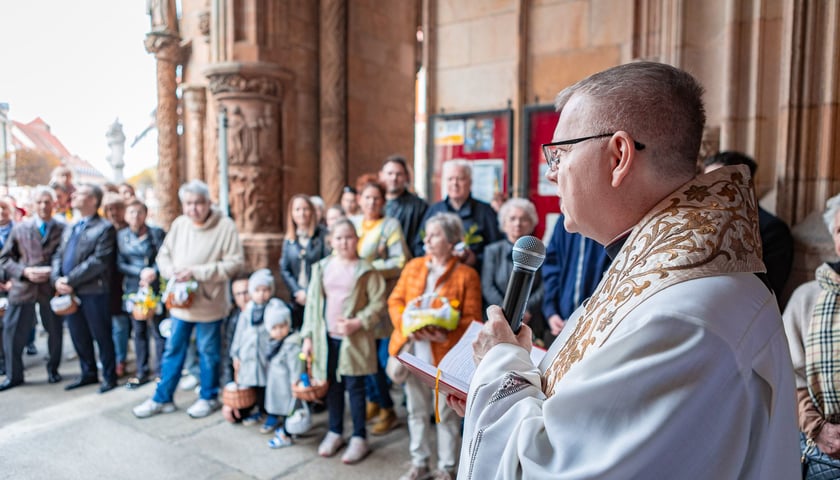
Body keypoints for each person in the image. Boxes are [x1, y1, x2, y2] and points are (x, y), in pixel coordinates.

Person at [451, 61, 798, 479]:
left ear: (618, 156)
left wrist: (499, 367)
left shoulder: (680, 319)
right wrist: (511, 379)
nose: (550, 172)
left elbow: (544, 469)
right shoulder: (661, 275)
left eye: (560, 154)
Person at [133, 180, 244, 419]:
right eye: (189, 203)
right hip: (180, 303)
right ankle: (162, 398)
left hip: (209, 303)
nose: (194, 209)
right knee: (173, 350)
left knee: (208, 351)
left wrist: (196, 271)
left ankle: (208, 396)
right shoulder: (180, 224)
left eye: (198, 203)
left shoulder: (225, 226)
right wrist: (171, 270)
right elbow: (164, 255)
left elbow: (235, 263)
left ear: (208, 203)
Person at [388, 212, 482, 480]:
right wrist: (406, 325)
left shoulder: (466, 275)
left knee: (446, 415)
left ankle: (447, 468)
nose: (427, 239)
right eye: (426, 234)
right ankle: (419, 462)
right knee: (416, 410)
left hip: (445, 356)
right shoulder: (413, 267)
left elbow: (472, 320)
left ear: (452, 240)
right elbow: (395, 301)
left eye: (435, 234)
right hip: (413, 351)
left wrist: (444, 336)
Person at [301, 218, 386, 465]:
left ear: (356, 239)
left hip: (354, 339)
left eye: (349, 237)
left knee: (355, 388)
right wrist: (308, 337)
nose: (344, 242)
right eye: (338, 238)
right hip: (326, 339)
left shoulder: (366, 269)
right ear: (331, 241)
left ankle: (360, 437)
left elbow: (378, 303)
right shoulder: (321, 267)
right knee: (332, 387)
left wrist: (358, 322)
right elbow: (313, 304)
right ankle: (335, 431)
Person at [782, 193, 840, 472]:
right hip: (823, 453)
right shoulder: (807, 298)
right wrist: (818, 428)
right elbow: (789, 374)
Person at [350, 179, 410, 435]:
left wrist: (369, 268)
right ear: (359, 200)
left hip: (382, 301)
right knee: (363, 356)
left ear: (383, 202)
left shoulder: (390, 225)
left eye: (377, 198)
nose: (371, 202)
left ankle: (388, 409)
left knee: (378, 359)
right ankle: (374, 401)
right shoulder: (352, 223)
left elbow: (401, 261)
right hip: (355, 301)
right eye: (367, 197)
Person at [51, 184, 119, 393]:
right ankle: (88, 373)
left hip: (94, 291)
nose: (74, 195)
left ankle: (109, 377)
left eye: (80, 193)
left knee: (101, 335)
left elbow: (98, 262)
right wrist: (57, 279)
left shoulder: (104, 228)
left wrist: (69, 279)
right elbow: (58, 255)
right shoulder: (72, 226)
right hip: (70, 291)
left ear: (93, 200)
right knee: (78, 334)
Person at [703, 151, 794, 303]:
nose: (706, 190)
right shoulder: (704, 224)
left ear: (740, 183)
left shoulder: (772, 230)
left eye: (715, 181)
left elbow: (766, 288)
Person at [0, 187, 65, 390]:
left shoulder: (63, 229)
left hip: (49, 287)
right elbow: (5, 258)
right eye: (39, 202)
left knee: (54, 330)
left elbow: (64, 256)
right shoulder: (20, 229)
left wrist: (53, 273)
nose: (43, 206)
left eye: (47, 202)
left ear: (54, 204)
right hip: (23, 287)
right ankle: (14, 375)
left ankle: (53, 369)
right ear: (34, 204)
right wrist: (24, 271)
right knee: (12, 332)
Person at [230, 270, 292, 433]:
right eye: (257, 290)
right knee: (256, 387)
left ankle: (273, 414)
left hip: (268, 356)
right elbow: (239, 333)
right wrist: (236, 354)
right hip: (250, 356)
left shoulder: (274, 307)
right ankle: (259, 411)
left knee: (272, 387)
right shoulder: (248, 310)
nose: (261, 295)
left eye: (265, 290)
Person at [415, 160, 502, 272]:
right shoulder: (434, 210)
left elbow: (496, 249)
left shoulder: (485, 211)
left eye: (460, 179)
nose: (454, 183)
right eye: (450, 179)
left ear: (470, 182)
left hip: (473, 275)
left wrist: (475, 259)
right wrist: (428, 253)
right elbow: (417, 245)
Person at [118, 199, 166, 388]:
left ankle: (161, 371)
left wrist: (152, 271)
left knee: (158, 329)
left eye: (139, 212)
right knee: (138, 331)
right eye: (131, 213)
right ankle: (141, 370)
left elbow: (164, 256)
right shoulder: (122, 236)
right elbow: (120, 263)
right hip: (133, 287)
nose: (135, 217)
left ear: (146, 214)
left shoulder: (156, 233)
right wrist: (139, 272)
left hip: (154, 287)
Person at [481, 198, 545, 341]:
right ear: (504, 223)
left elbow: (543, 286)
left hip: (531, 321)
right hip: (497, 320)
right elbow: (488, 286)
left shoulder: (538, 251)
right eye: (513, 218)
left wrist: (524, 310)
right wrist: (507, 313)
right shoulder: (492, 251)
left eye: (523, 219)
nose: (518, 223)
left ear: (532, 223)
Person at [541, 214, 611, 344]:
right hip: (561, 322)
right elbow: (551, 268)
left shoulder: (608, 219)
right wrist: (551, 311)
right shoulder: (563, 221)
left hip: (596, 326)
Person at [278, 195, 329, 330]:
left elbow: (327, 264)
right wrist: (297, 291)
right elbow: (285, 268)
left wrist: (310, 291)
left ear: (312, 211)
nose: (302, 213)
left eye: (305, 209)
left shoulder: (323, 235)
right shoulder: (289, 239)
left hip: (318, 294)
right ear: (292, 213)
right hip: (297, 297)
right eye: (297, 209)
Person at [264, 296, 302, 448]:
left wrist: (295, 382)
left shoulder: (291, 344)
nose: (279, 331)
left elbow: (296, 365)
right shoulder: (272, 343)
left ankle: (287, 433)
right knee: (278, 403)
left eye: (282, 326)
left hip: (288, 385)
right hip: (276, 382)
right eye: (274, 328)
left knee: (290, 409)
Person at [103, 192, 130, 377]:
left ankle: (121, 359)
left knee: (121, 325)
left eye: (118, 208)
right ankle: (112, 358)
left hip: (126, 282)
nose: (114, 213)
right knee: (112, 324)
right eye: (110, 209)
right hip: (107, 284)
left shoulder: (128, 230)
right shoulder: (103, 229)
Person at [220, 273, 251, 423]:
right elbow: (227, 357)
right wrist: (229, 395)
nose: (243, 298)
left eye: (246, 292)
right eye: (238, 294)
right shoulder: (233, 319)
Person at [380, 155, 428, 247]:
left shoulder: (419, 206)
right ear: (381, 175)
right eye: (390, 173)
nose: (394, 178)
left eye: (399, 174)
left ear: (406, 177)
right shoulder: (373, 203)